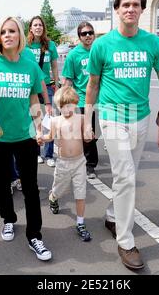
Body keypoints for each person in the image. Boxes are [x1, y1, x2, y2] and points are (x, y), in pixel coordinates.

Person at [84, 0, 159, 270]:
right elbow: (92, 85)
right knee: (125, 175)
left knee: (127, 174)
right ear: (117, 9)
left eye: (135, 5)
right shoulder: (102, 45)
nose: (130, 9)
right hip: (113, 115)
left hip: (140, 116)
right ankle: (126, 242)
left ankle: (114, 214)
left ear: (142, 9)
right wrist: (88, 120)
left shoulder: (153, 44)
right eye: (125, 5)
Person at [0, 16, 52, 261]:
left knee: (31, 187)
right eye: (3, 31)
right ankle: (8, 219)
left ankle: (35, 235)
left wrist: (39, 128)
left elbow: (34, 99)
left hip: (25, 136)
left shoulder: (29, 65)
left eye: (12, 31)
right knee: (3, 181)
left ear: (20, 36)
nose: (7, 35)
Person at [42, 86, 92, 242]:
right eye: (63, 106)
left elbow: (87, 139)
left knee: (80, 192)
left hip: (79, 162)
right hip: (63, 162)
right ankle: (53, 197)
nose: (67, 109)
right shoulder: (55, 121)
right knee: (59, 189)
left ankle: (80, 222)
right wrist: (40, 138)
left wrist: (89, 135)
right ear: (58, 106)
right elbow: (49, 137)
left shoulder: (81, 118)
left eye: (70, 105)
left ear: (76, 104)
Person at [62, 22, 98, 179]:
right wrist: (64, 100)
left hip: (100, 99)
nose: (88, 35)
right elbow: (68, 80)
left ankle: (87, 159)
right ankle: (90, 165)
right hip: (82, 100)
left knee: (94, 134)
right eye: (84, 33)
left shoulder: (99, 51)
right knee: (85, 132)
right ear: (79, 37)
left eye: (90, 32)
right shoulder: (73, 55)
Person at [27, 15, 59, 167]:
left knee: (49, 121)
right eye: (35, 25)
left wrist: (57, 84)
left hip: (47, 87)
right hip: (30, 88)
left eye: (40, 25)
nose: (38, 27)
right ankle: (36, 153)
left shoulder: (50, 45)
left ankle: (49, 154)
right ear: (31, 28)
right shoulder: (25, 46)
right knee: (34, 120)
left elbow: (54, 66)